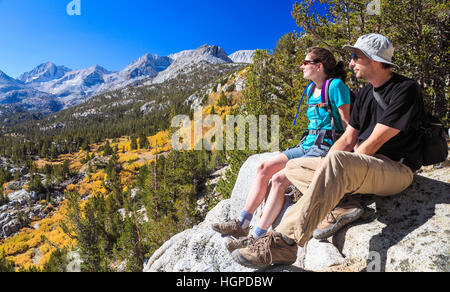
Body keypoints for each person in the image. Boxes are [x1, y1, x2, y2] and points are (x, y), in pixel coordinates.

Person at [231, 33, 425, 269]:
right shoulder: (365, 93)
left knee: (338, 162)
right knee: (294, 167)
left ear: (374, 60)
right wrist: (326, 165)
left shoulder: (405, 89)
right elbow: (348, 136)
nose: (350, 63)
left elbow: (373, 143)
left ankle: (283, 242)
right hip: (363, 168)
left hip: (395, 168)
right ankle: (342, 203)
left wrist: (335, 168)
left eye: (356, 57)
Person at [212, 47, 352, 252]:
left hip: (325, 146)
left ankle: (257, 236)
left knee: (278, 179)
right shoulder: (310, 89)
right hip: (307, 144)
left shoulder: (336, 86)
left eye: (306, 62)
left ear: (318, 66)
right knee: (263, 168)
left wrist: (348, 156)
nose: (301, 66)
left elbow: (348, 125)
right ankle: (242, 223)